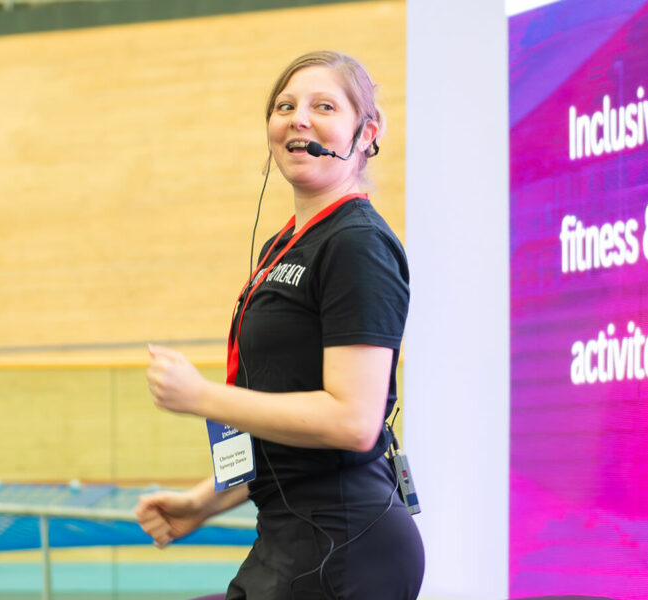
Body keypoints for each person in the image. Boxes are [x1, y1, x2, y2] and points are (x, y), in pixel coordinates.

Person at [134, 50, 424, 600]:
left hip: (346, 545)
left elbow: (354, 421)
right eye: (285, 106)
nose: (299, 119)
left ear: (367, 133)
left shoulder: (358, 244)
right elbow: (284, 430)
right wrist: (203, 502)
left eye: (324, 107)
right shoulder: (282, 246)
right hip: (289, 536)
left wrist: (201, 396)